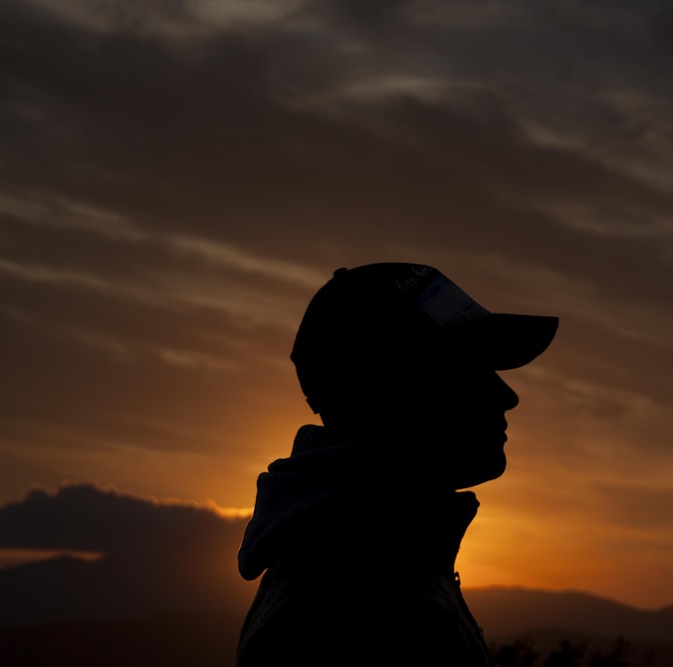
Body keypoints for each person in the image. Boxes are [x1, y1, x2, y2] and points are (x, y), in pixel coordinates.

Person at [236, 263, 558, 667]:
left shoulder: (382, 554)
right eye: (470, 370)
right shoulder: (358, 597)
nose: (507, 396)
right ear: (402, 388)